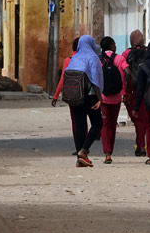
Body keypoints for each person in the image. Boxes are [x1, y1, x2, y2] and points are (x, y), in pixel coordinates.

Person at [64, 35, 104, 167]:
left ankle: (80, 157)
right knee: (97, 123)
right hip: (91, 96)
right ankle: (84, 150)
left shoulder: (74, 58)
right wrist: (100, 99)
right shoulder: (93, 58)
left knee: (80, 125)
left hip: (75, 96)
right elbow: (96, 80)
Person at [98, 36, 127, 165]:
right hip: (116, 97)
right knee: (112, 125)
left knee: (104, 124)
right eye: (114, 44)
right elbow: (128, 72)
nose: (115, 46)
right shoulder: (120, 58)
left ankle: (107, 153)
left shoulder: (98, 60)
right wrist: (126, 91)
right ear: (111, 46)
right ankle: (111, 150)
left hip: (102, 97)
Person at [52, 37, 80, 154]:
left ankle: (79, 146)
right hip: (87, 94)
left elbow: (63, 78)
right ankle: (85, 145)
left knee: (75, 121)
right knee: (84, 119)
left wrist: (55, 96)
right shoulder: (89, 59)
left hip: (73, 94)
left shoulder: (69, 60)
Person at [122, 30, 147, 157]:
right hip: (147, 90)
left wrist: (125, 92)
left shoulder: (126, 53)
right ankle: (145, 145)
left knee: (137, 119)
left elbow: (123, 74)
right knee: (146, 118)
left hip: (131, 90)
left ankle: (141, 145)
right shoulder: (148, 51)